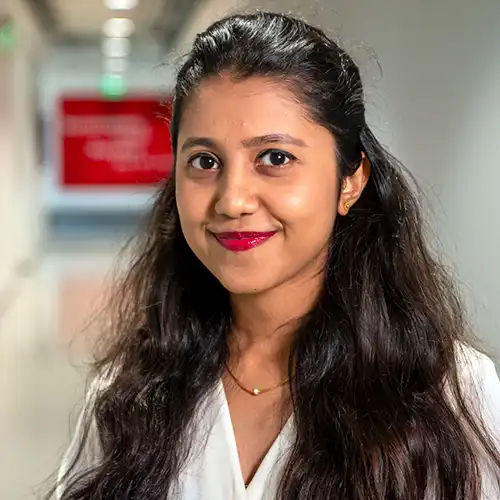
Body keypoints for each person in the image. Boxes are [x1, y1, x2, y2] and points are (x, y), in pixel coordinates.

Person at [53, 11, 500, 500]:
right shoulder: (129, 396)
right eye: (205, 161)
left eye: (275, 158)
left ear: (349, 181)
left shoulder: (451, 395)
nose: (232, 200)